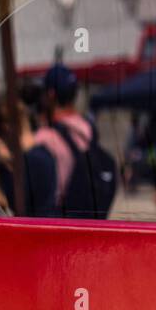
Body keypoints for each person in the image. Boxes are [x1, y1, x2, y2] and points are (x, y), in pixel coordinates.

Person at [33, 65, 115, 218]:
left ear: (50, 94)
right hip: (89, 218)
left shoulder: (45, 136)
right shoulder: (87, 128)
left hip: (61, 219)